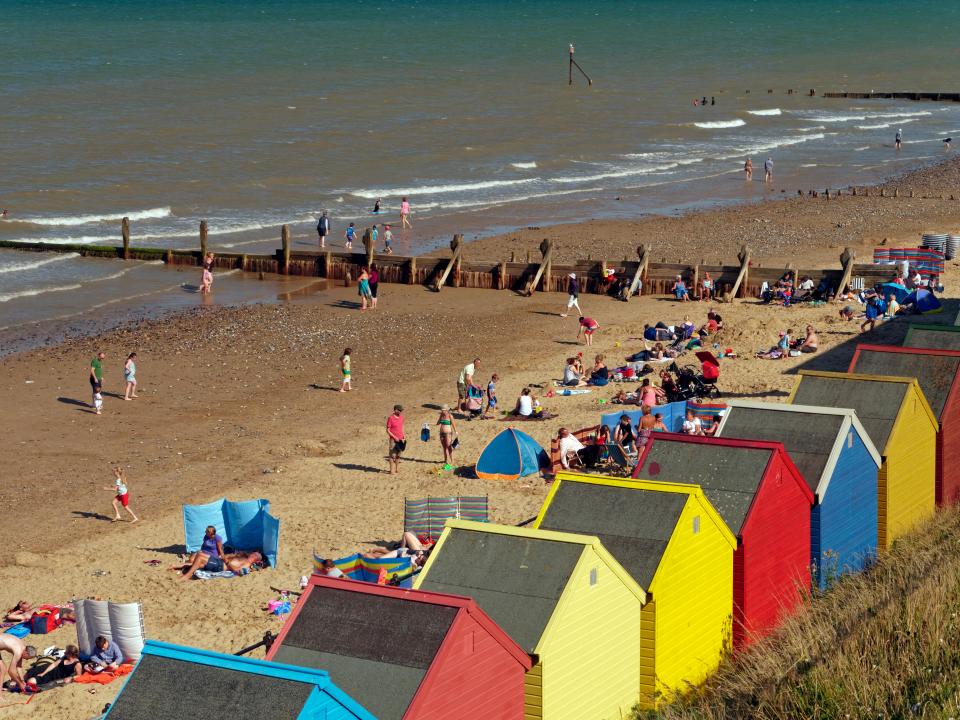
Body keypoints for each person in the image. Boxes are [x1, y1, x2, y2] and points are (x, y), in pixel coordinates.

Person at [387, 405, 405, 475]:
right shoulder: (390, 418)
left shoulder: (401, 417)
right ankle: (392, 471)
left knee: (398, 454)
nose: (400, 412)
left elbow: (402, 427)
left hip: (400, 439)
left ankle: (397, 469)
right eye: (399, 410)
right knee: (392, 455)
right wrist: (394, 437)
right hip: (393, 440)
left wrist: (404, 436)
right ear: (395, 410)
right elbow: (388, 430)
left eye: (401, 410)